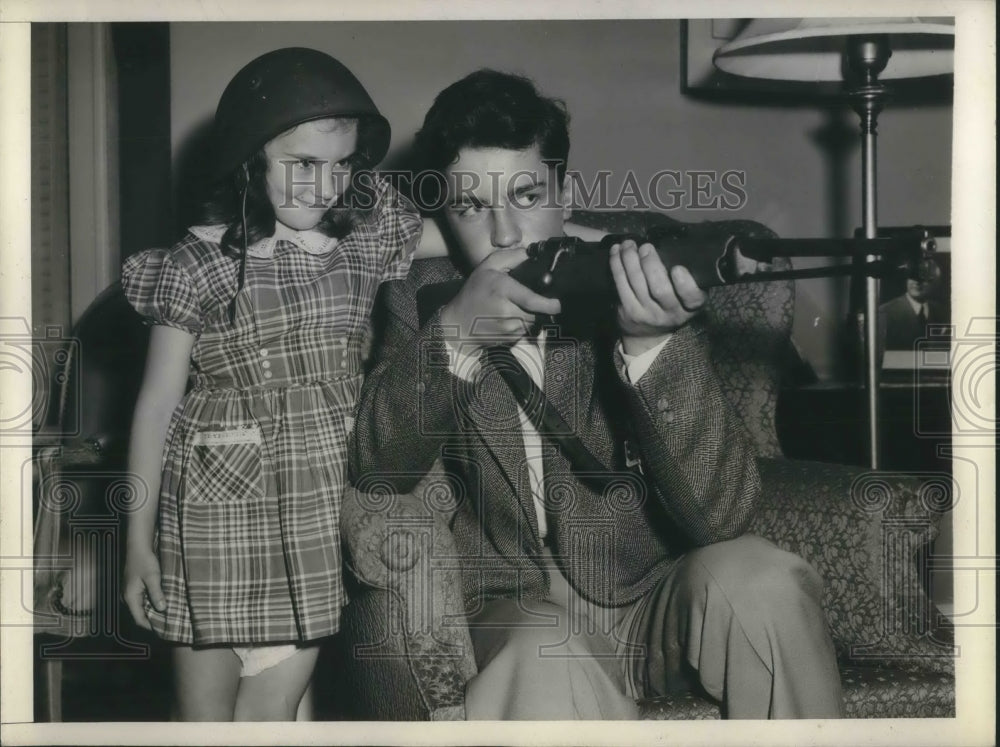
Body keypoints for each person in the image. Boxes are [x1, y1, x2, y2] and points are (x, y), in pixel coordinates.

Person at [350, 70, 843, 719]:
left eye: (526, 194)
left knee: (762, 580)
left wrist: (651, 345)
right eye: (472, 206)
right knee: (548, 646)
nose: (502, 234)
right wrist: (457, 339)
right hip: (519, 613)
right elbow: (378, 467)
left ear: (567, 195)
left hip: (650, 599)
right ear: (445, 213)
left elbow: (722, 517)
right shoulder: (420, 300)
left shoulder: (636, 279)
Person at [120, 47, 426, 721]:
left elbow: (483, 237)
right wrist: (136, 542)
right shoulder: (198, 263)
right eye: (303, 164)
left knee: (270, 718)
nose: (326, 186)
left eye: (343, 164)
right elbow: (156, 404)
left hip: (313, 523)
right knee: (204, 720)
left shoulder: (361, 244)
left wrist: (600, 245)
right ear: (248, 160)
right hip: (210, 524)